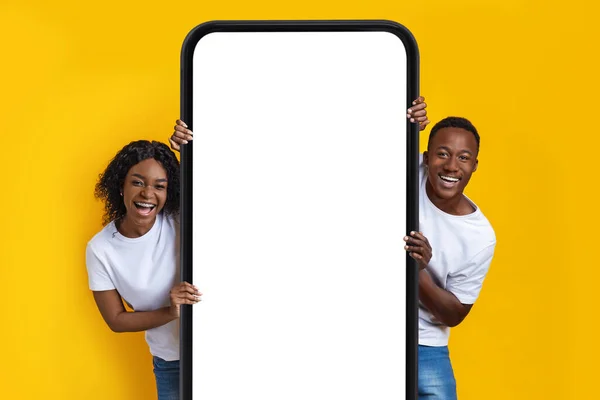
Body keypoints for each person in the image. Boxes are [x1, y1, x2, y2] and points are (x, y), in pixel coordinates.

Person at [86, 140, 201, 400]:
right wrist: (171, 312)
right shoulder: (101, 249)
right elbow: (116, 319)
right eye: (138, 182)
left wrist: (191, 149)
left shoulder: (180, 218)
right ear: (120, 185)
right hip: (171, 361)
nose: (148, 194)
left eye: (159, 186)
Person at [403, 116, 496, 399]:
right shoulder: (408, 169)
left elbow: (454, 314)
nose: (452, 166)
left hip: (425, 344)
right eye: (442, 154)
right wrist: (406, 118)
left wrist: (419, 271)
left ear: (475, 166)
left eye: (463, 157)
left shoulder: (480, 237)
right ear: (426, 157)